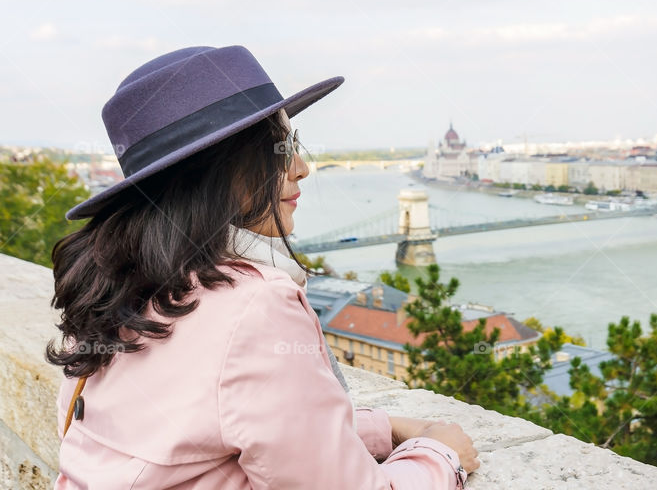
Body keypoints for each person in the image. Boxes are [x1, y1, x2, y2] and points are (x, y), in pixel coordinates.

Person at [47, 45, 479, 489]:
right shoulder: (255, 305)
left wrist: (380, 428)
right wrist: (442, 455)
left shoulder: (110, 284)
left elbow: (208, 426)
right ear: (219, 170)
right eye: (282, 148)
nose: (302, 167)